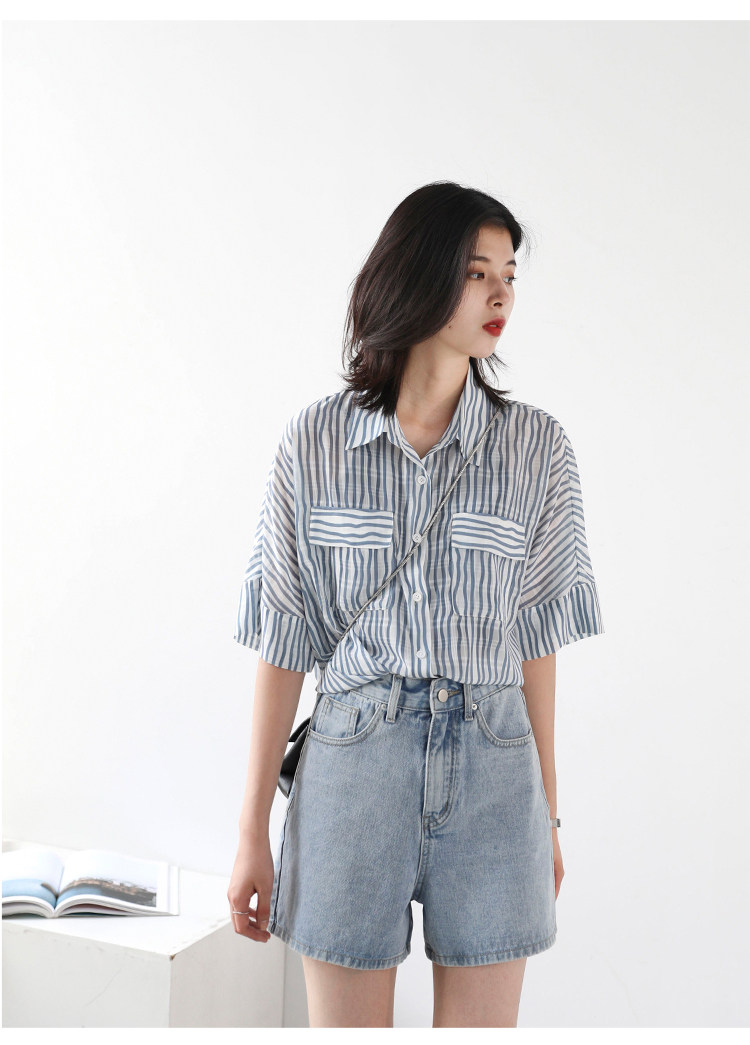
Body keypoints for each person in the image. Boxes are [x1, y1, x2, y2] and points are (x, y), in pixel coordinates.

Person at [227, 181, 604, 1028]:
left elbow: (536, 643)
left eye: (509, 274)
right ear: (417, 275)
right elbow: (283, 641)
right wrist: (252, 829)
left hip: (496, 769)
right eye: (477, 272)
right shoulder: (315, 441)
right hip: (354, 763)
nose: (501, 294)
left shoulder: (538, 448)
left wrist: (546, 815)